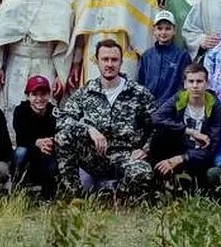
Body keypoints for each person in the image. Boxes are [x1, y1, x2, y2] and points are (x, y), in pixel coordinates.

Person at [56, 39, 155, 200]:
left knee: (143, 173)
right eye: (105, 59)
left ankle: (117, 198)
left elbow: (157, 125)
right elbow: (63, 119)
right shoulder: (86, 92)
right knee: (63, 136)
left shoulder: (138, 93)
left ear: (121, 62)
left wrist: (146, 149)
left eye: (114, 60)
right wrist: (89, 129)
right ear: (97, 61)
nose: (109, 64)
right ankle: (75, 196)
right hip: (93, 156)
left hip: (125, 156)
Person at [0, 0, 75, 113]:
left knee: (43, 110)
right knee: (13, 110)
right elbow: (0, 34)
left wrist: (61, 75)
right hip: (16, 63)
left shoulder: (61, 3)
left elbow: (65, 44)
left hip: (44, 64)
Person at [149, 63, 221, 189]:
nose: (195, 86)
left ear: (207, 84)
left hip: (198, 155)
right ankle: (160, 176)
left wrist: (182, 158)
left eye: (199, 81)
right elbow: (156, 118)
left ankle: (185, 179)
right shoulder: (179, 98)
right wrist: (190, 131)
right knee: (159, 135)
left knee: (197, 181)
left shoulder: (215, 105)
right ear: (185, 84)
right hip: (179, 146)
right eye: (191, 81)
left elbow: (212, 146)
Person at [12, 75, 59, 197]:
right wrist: (37, 142)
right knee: (20, 152)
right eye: (35, 94)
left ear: (49, 95)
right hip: (28, 152)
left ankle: (48, 195)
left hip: (47, 152)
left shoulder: (54, 112)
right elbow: (21, 137)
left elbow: (59, 133)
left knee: (54, 156)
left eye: (43, 94)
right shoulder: (20, 111)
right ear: (28, 96)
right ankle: (16, 188)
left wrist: (50, 142)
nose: (39, 98)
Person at [135, 11, 189, 104]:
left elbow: (186, 84)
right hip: (148, 106)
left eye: (168, 28)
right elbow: (140, 83)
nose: (163, 32)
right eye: (159, 28)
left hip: (171, 109)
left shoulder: (182, 56)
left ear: (174, 31)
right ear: (154, 31)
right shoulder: (147, 56)